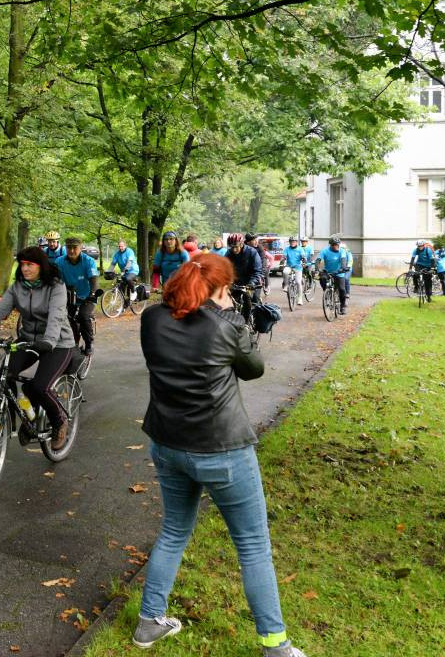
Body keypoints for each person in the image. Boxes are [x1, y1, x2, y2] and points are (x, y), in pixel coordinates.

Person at [132, 252, 305, 657]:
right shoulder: (224, 326)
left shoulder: (151, 320)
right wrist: (235, 320)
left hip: (169, 444)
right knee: (252, 545)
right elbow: (254, 368)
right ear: (219, 289)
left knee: (174, 532)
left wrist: (221, 313)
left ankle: (148, 622)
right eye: (225, 288)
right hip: (221, 449)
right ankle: (276, 645)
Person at [0, 246, 76, 450]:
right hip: (28, 339)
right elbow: (0, 310)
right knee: (6, 373)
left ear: (41, 266)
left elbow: (56, 315)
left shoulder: (56, 286)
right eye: (23, 265)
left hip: (58, 342)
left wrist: (49, 341)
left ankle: (59, 422)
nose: (25, 269)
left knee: (39, 386)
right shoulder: (18, 286)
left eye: (30, 265)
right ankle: (9, 418)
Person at [56, 237, 101, 355]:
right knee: (66, 318)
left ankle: (89, 343)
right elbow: (55, 279)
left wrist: (92, 293)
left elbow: (94, 279)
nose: (71, 250)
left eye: (74, 248)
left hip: (87, 296)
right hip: (69, 296)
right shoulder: (59, 261)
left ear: (80, 248)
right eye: (68, 247)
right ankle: (72, 343)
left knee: (83, 316)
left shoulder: (88, 261)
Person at [224, 233, 263, 320]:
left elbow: (257, 271)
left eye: (236, 247)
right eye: (231, 247)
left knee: (247, 298)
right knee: (229, 299)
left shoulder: (252, 252)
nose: (234, 249)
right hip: (236, 282)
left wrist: (252, 283)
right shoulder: (229, 253)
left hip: (250, 282)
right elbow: (224, 268)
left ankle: (246, 323)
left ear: (241, 244)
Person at [314, 236, 352, 314]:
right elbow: (318, 260)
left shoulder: (342, 251)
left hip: (339, 272)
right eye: (334, 245)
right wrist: (317, 269)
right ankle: (327, 292)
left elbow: (343, 260)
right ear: (331, 245)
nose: (336, 246)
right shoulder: (324, 251)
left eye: (337, 244)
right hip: (328, 271)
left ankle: (342, 306)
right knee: (322, 278)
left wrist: (343, 268)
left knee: (342, 289)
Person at [281, 236, 306, 303]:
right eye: (291, 242)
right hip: (289, 266)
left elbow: (303, 257)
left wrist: (304, 261)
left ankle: (300, 298)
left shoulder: (300, 249)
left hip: (298, 267)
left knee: (298, 282)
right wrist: (282, 261)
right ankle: (286, 285)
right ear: (289, 242)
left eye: (294, 241)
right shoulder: (287, 249)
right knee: (285, 272)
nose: (292, 243)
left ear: (296, 242)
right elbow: (284, 256)